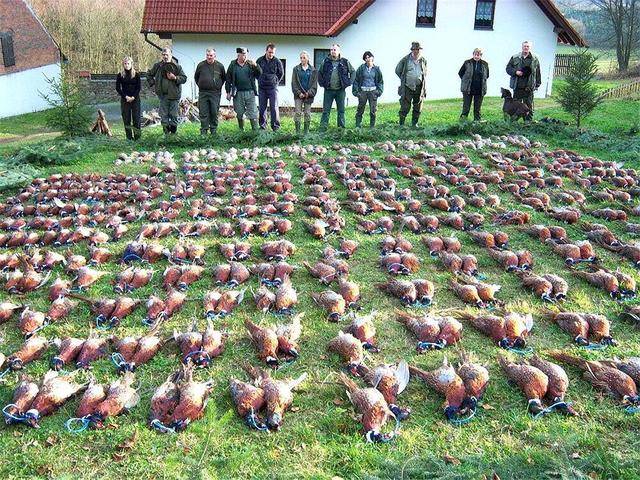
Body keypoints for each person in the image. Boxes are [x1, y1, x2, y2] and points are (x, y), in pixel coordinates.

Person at [147, 47, 187, 134]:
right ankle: (166, 135)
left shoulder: (177, 67)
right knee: (163, 116)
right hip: (162, 96)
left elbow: (184, 78)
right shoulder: (157, 66)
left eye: (167, 55)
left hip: (174, 95)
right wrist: (153, 82)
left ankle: (173, 135)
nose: (165, 56)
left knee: (174, 116)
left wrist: (175, 78)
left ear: (171, 55)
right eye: (163, 54)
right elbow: (149, 74)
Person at [318, 44, 355, 130]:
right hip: (328, 91)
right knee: (326, 111)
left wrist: (349, 82)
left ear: (339, 51)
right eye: (331, 50)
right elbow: (319, 73)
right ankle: (323, 130)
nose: (333, 51)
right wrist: (322, 83)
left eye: (334, 50)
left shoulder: (345, 62)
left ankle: (341, 129)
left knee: (341, 111)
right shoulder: (325, 61)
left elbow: (353, 72)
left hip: (340, 90)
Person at [226, 47, 262, 131]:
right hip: (238, 93)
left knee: (253, 112)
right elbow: (228, 79)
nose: (245, 57)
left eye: (246, 54)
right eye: (243, 55)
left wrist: (256, 65)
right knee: (239, 113)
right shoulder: (233, 65)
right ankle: (241, 130)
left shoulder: (250, 64)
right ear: (238, 55)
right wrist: (228, 92)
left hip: (250, 92)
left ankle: (255, 131)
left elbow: (259, 74)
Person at [506, 40, 541, 120]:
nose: (526, 48)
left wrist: (537, 84)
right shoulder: (515, 57)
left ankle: (528, 123)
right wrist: (515, 72)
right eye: (524, 46)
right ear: (522, 47)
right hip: (517, 86)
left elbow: (538, 72)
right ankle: (513, 123)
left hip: (529, 87)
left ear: (530, 48)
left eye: (527, 46)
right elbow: (508, 69)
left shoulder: (535, 59)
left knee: (528, 107)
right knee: (515, 106)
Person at [395, 42, 428, 127]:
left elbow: (425, 73)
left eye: (418, 49)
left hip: (419, 87)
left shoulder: (423, 60)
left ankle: (414, 124)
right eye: (414, 49)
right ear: (412, 50)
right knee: (405, 106)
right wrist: (404, 79)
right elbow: (398, 70)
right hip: (407, 87)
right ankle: (401, 124)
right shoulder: (405, 60)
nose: (416, 51)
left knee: (418, 106)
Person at [194, 48, 226, 135]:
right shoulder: (201, 65)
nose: (209, 57)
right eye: (207, 55)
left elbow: (223, 78)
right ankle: (204, 131)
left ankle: (213, 131)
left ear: (214, 56)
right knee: (203, 112)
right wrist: (202, 85)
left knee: (214, 112)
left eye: (211, 55)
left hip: (215, 93)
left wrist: (217, 86)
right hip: (203, 93)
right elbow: (196, 77)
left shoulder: (220, 66)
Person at [256, 43, 284, 131]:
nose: (271, 54)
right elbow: (255, 72)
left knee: (274, 107)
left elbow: (281, 73)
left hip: (273, 88)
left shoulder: (277, 61)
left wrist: (275, 82)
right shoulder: (259, 60)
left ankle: (275, 127)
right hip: (262, 88)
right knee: (262, 107)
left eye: (272, 53)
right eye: (269, 52)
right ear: (266, 51)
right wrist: (260, 79)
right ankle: (262, 126)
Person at [352, 51, 383, 128]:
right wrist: (356, 92)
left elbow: (380, 81)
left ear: (372, 58)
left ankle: (372, 126)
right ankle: (358, 126)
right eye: (366, 58)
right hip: (363, 92)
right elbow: (356, 80)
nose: (368, 59)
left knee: (373, 110)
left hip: (373, 92)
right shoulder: (361, 68)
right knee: (360, 109)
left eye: (369, 57)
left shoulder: (376, 69)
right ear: (364, 60)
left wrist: (379, 91)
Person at [458, 48, 489, 121]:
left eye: (478, 55)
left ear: (481, 55)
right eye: (475, 54)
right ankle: (463, 123)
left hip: (480, 89)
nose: (476, 56)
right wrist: (466, 81)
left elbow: (487, 75)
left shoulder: (485, 64)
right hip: (468, 89)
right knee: (466, 108)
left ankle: (477, 123)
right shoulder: (467, 63)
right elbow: (460, 73)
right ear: (473, 54)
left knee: (477, 109)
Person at [291, 51, 318, 135]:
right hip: (298, 95)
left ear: (308, 59)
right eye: (301, 58)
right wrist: (299, 93)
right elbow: (294, 83)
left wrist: (308, 93)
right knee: (298, 112)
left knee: (307, 113)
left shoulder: (313, 70)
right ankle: (298, 132)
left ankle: (306, 132)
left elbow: (314, 84)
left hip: (308, 96)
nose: (302, 59)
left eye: (304, 58)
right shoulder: (296, 69)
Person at [115, 56, 141, 140]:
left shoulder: (136, 74)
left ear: (131, 64)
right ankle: (129, 138)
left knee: (136, 119)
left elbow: (138, 87)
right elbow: (118, 88)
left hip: (135, 99)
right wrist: (125, 97)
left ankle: (137, 138)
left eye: (128, 63)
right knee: (126, 119)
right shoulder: (120, 75)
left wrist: (133, 97)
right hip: (125, 99)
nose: (126, 65)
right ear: (123, 64)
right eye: (125, 64)